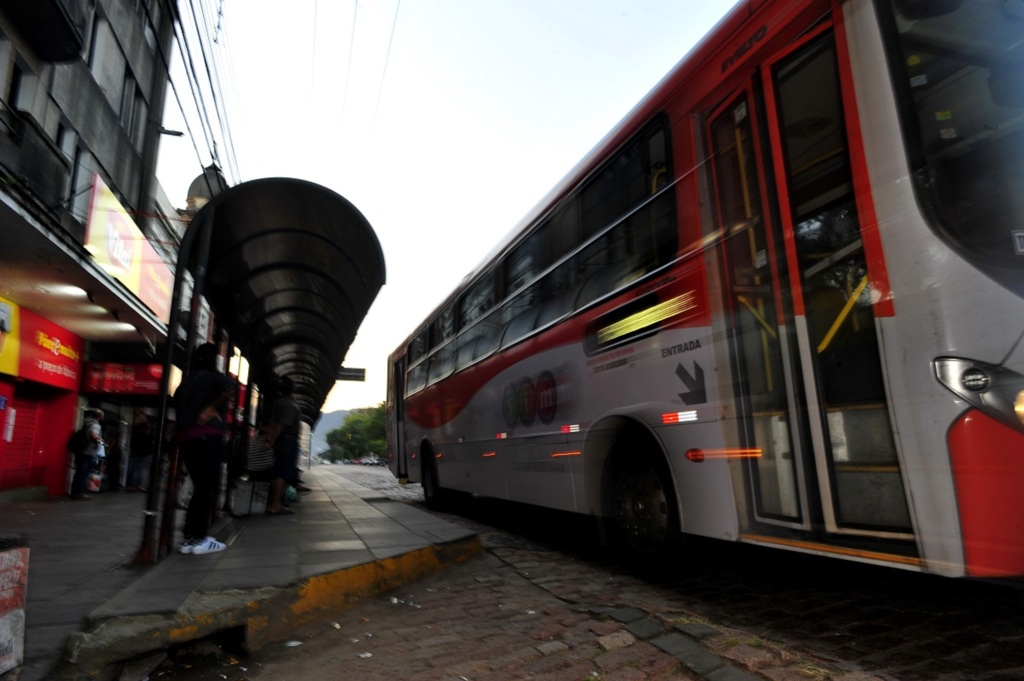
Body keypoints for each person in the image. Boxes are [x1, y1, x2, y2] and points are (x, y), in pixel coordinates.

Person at [174, 343, 235, 555]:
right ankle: (199, 539)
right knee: (205, 488)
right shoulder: (212, 377)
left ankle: (189, 539)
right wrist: (211, 408)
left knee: (199, 488)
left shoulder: (186, 382)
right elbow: (231, 388)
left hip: (186, 438)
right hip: (208, 436)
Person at [264, 376, 304, 514]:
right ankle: (276, 505)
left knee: (278, 472)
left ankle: (274, 503)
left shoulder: (278, 402)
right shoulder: (290, 405)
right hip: (287, 440)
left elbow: (272, 424)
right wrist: (271, 441)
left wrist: (269, 440)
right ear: (292, 388)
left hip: (282, 441)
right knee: (283, 473)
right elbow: (281, 425)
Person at [69, 408, 104, 500]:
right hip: (88, 452)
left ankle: (75, 492)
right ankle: (79, 493)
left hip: (81, 451)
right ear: (100, 417)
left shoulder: (86, 423)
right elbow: (94, 435)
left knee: (79, 472)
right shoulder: (96, 425)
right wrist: (100, 441)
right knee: (83, 473)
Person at [127, 412, 154, 492]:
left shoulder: (135, 435)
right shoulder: (148, 436)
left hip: (136, 454)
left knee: (136, 470)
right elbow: (151, 443)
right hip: (147, 454)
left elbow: (132, 444)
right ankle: (142, 486)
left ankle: (134, 485)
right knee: (144, 470)